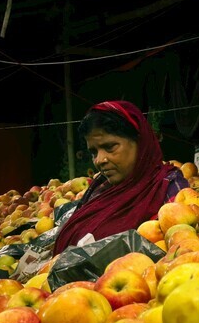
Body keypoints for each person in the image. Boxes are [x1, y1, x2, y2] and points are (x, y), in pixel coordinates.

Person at [53, 100, 188, 254]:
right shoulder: (100, 187)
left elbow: (179, 246)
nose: (99, 160)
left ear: (139, 141)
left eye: (110, 147)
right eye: (94, 152)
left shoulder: (168, 187)